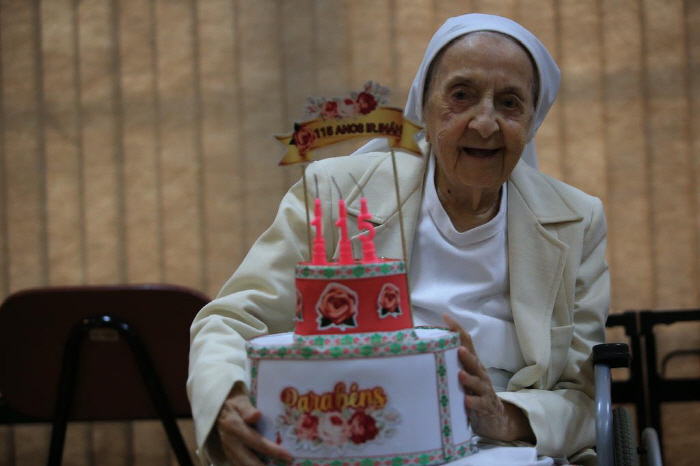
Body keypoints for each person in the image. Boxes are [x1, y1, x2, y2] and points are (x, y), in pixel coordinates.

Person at [188, 13, 609, 466]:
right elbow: (231, 320)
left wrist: (504, 416)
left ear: (532, 121)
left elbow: (582, 397)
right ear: (423, 107)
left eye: (510, 103)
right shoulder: (335, 192)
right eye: (462, 96)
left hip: (501, 446)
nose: (484, 124)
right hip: (349, 435)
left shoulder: (576, 219)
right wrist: (228, 399)